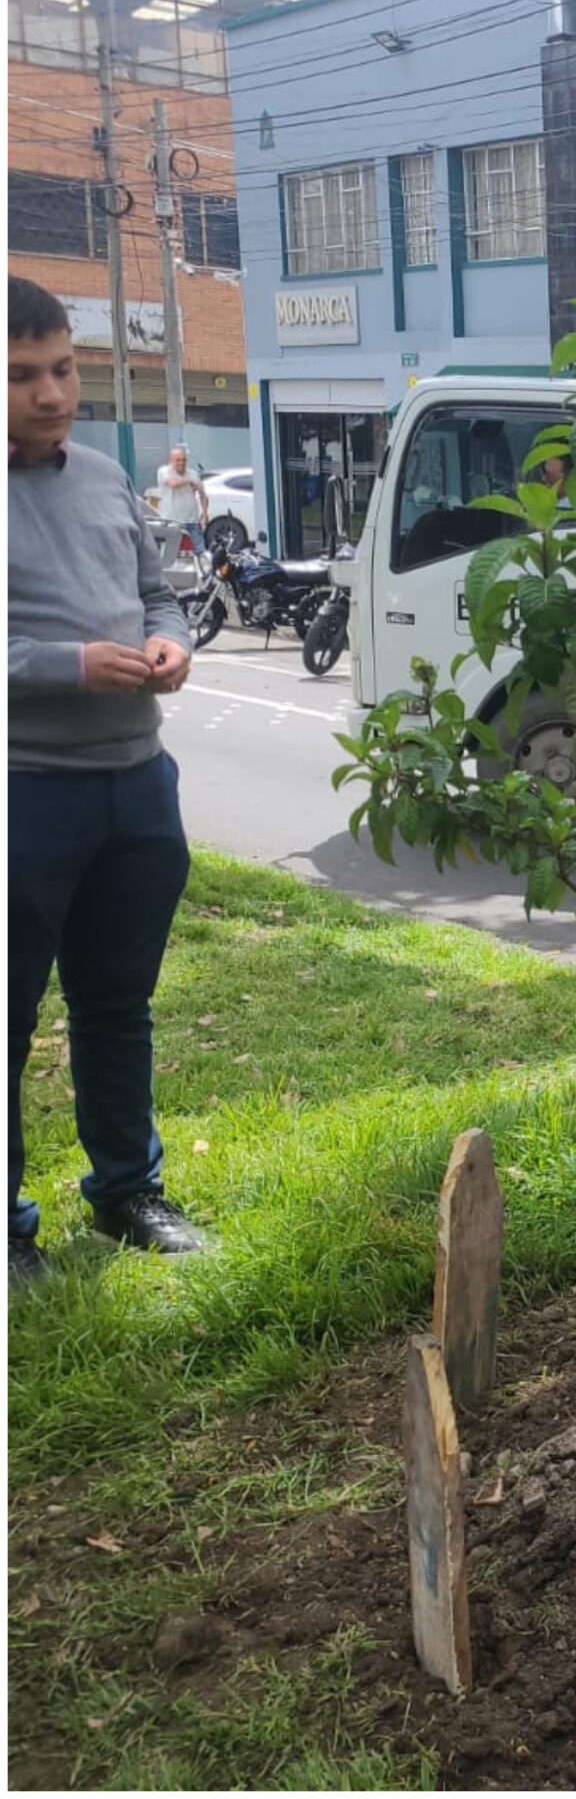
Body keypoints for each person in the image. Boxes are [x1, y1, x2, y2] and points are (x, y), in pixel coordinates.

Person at [8, 275, 210, 1284]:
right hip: (24, 790)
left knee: (117, 1000)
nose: (51, 394)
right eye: (21, 378)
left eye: (62, 368)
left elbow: (156, 595)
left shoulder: (100, 475)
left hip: (137, 785)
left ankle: (128, 1191)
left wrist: (168, 646)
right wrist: (71, 665)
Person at [154, 443, 205, 533]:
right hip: (170, 522)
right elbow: (172, 483)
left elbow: (203, 495)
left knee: (199, 547)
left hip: (192, 522)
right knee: (174, 547)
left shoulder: (193, 474)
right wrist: (188, 481)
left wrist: (205, 512)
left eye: (184, 460)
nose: (181, 463)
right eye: (178, 460)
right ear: (171, 460)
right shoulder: (164, 471)